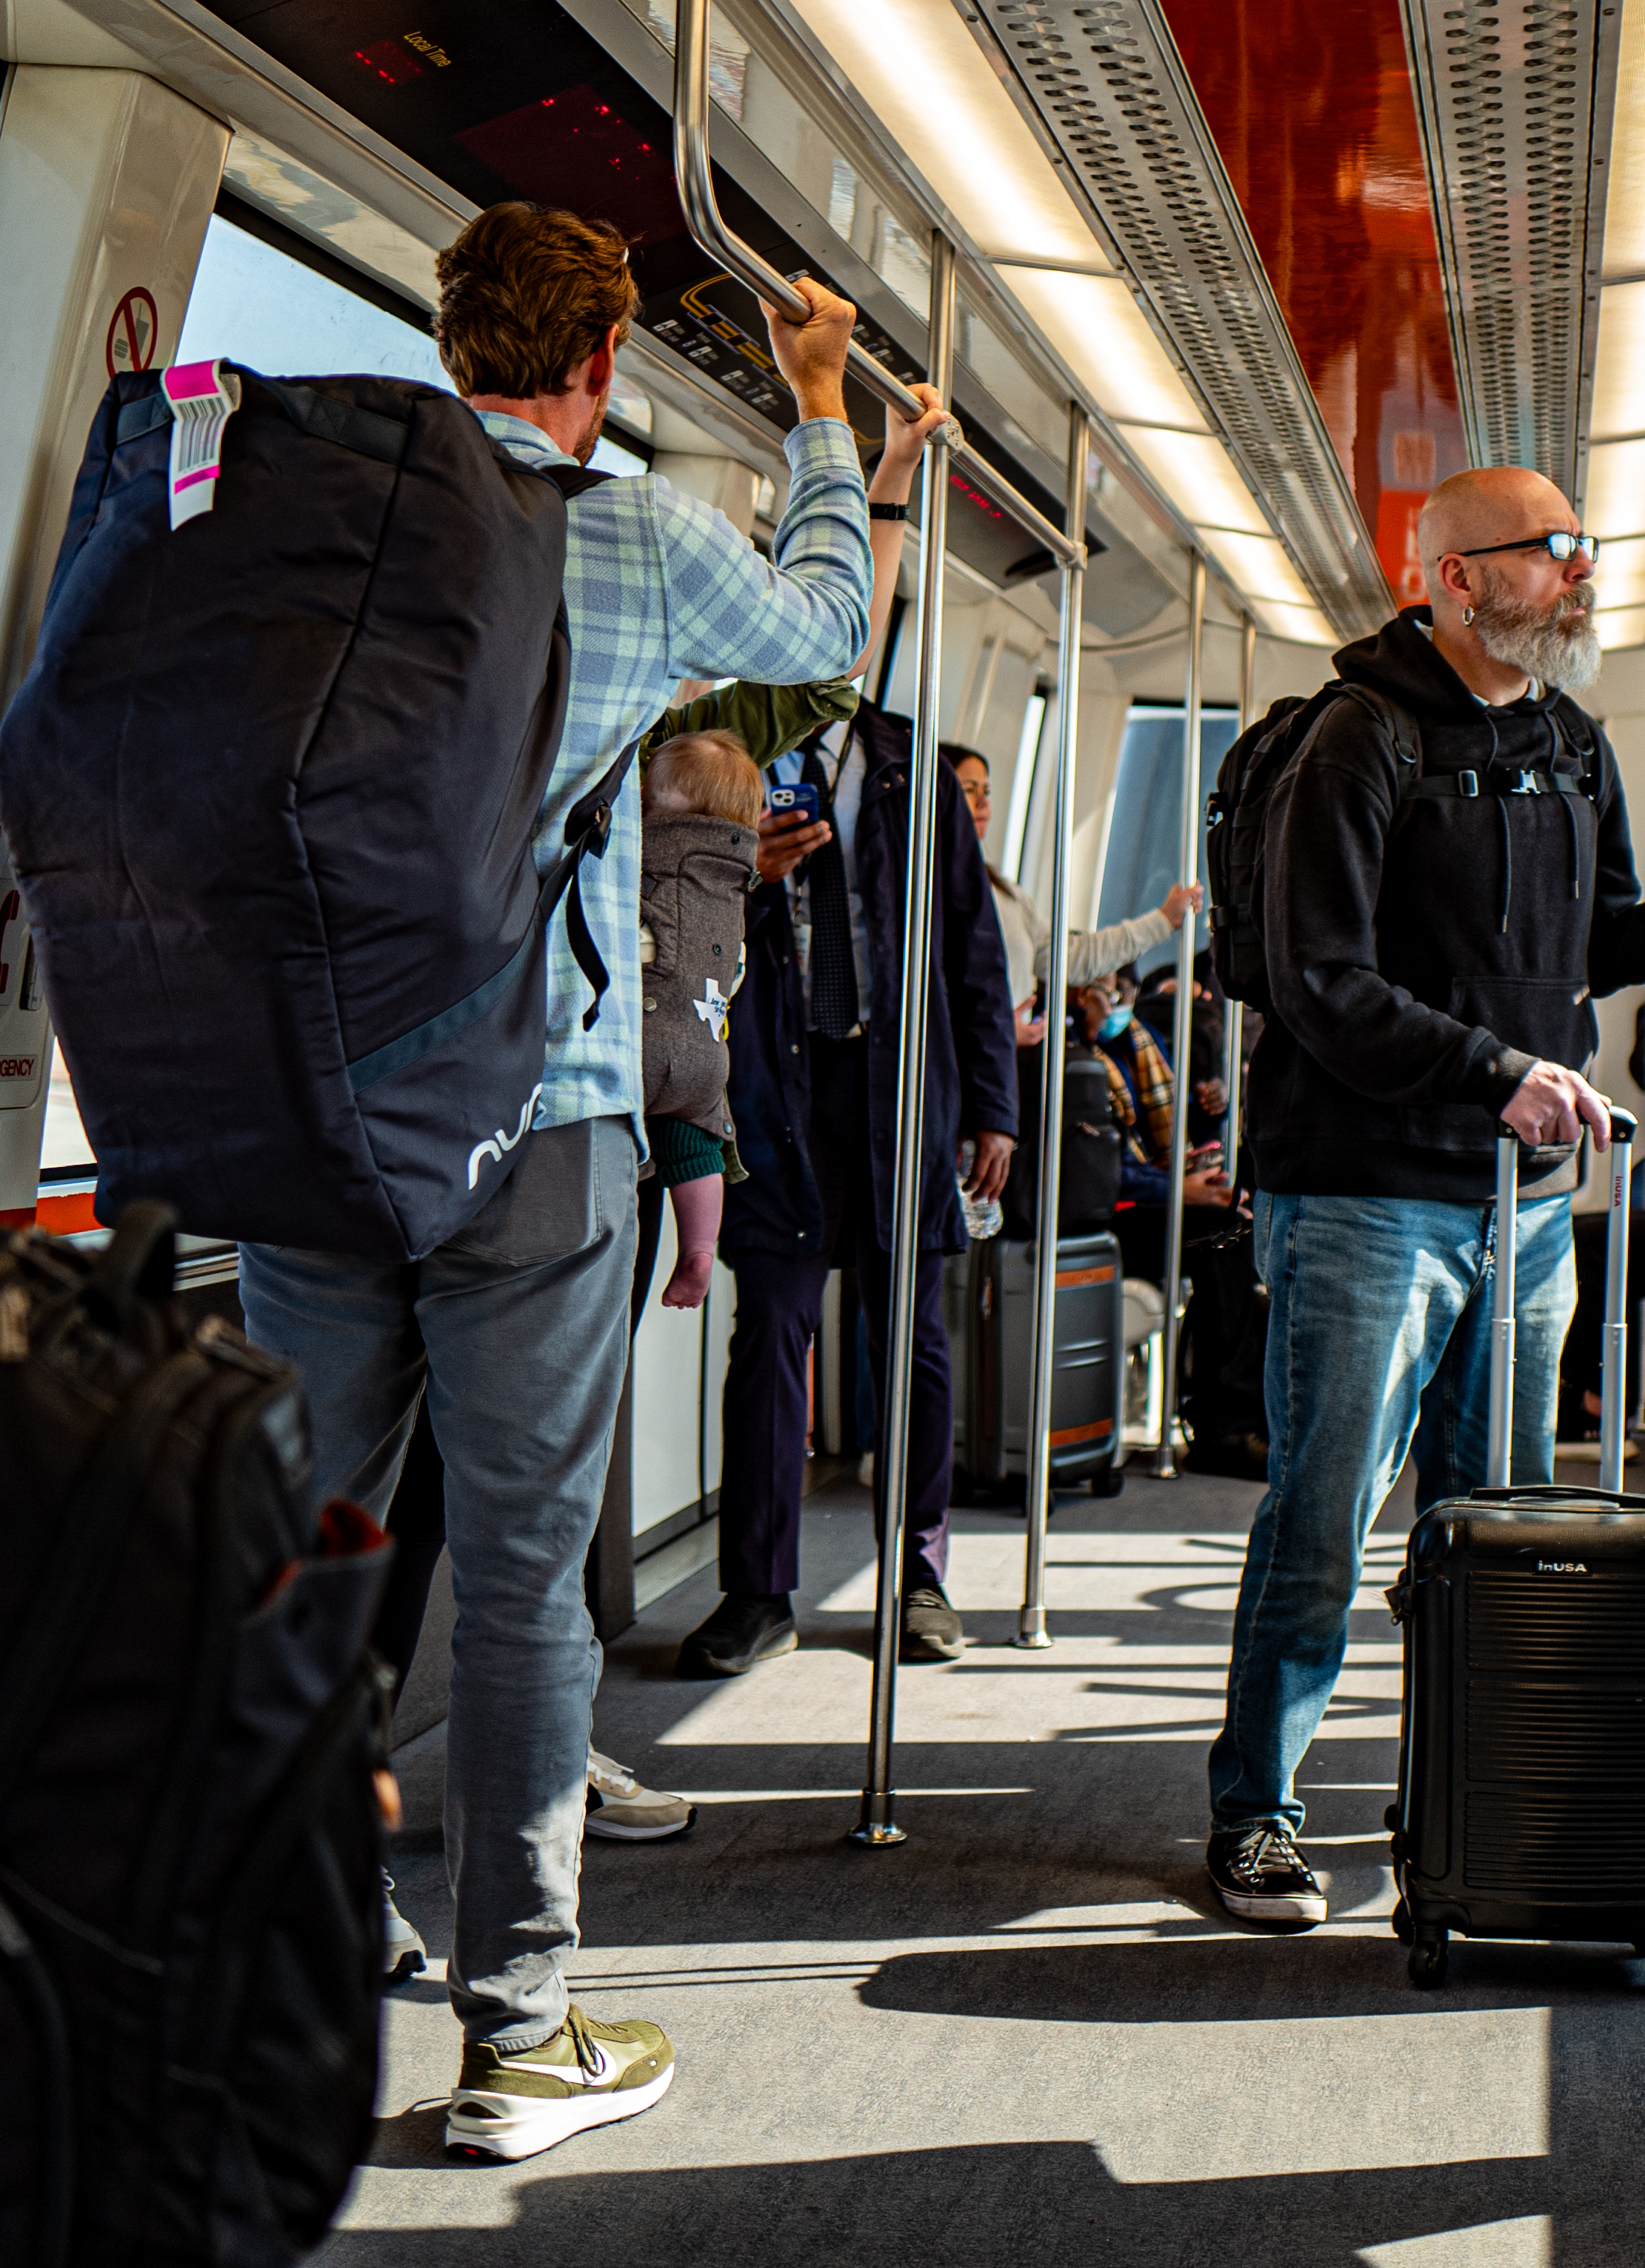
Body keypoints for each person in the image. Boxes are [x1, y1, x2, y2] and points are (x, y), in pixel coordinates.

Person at [229, 199, 907, 2164]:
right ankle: (515, 2031)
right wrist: (821, 419)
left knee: (305, 1541)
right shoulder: (622, 522)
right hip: (541, 1118)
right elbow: (818, 634)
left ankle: (294, 1934)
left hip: (306, 1115)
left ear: (450, 339)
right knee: (528, 1580)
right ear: (602, 360)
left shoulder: (318, 520)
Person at [1203, 467, 1645, 1925]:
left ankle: (1453, 1786)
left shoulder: (1576, 741)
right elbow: (1321, 980)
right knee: (1326, 1513)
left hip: (1521, 1205)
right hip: (1365, 1193)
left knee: (1492, 1519)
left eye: (1587, 547)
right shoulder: (1357, 734)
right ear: (1455, 575)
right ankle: (1255, 1810)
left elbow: (1587, 941)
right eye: (1553, 552)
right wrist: (1496, 1071)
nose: (1583, 573)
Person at [675, 701, 1022, 1679]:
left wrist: (994, 1104)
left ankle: (917, 1571)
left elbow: (972, 941)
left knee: (910, 1335)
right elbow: (669, 908)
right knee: (772, 1332)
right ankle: (756, 1591)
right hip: (775, 1085)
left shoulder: (908, 765)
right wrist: (754, 876)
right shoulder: (724, 752)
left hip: (899, 1085)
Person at [638, 729, 767, 1314]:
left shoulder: (647, 857)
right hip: (703, 1055)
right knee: (697, 1146)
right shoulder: (735, 884)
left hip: (640, 1042)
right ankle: (698, 1250)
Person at [954, 743, 1200, 1043]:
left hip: (1004, 1064)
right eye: (968, 789)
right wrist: (996, 1031)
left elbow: (1073, 957)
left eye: (987, 791)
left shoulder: (1005, 895)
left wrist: (1162, 920)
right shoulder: (926, 892)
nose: (982, 802)